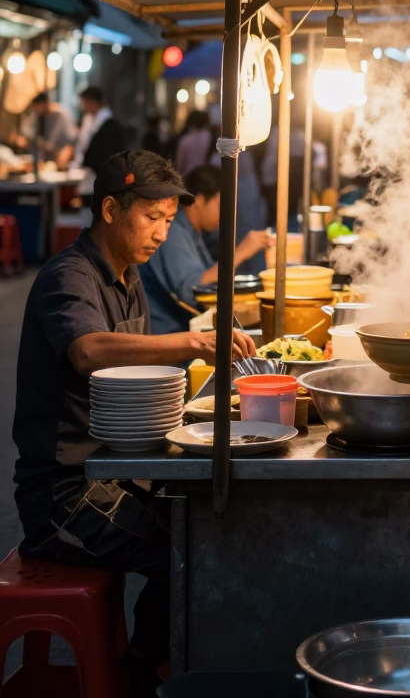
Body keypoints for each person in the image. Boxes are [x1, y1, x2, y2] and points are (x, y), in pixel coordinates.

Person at [13, 150, 255, 698]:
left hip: (115, 471)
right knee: (189, 554)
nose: (162, 234)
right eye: (152, 218)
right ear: (108, 210)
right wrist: (193, 342)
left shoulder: (129, 276)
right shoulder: (68, 277)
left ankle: (171, 666)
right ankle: (136, 678)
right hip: (63, 495)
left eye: (170, 220)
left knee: (209, 528)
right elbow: (88, 350)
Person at [140, 163, 274, 334]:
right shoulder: (172, 232)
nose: (224, 214)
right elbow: (193, 291)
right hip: (168, 333)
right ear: (200, 200)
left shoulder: (193, 231)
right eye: (220, 205)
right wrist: (239, 253)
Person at [73, 86, 126, 186]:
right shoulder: (87, 119)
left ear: (93, 102)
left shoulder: (110, 124)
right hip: (87, 173)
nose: (83, 106)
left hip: (102, 174)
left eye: (85, 102)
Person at [18, 92, 77, 167]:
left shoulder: (61, 115)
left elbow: (72, 141)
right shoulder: (36, 116)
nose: (35, 110)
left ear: (44, 104)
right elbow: (27, 132)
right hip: (44, 160)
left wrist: (66, 152)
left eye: (36, 107)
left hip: (61, 159)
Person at [174, 110, 212, 177]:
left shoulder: (186, 140)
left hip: (189, 175)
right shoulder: (209, 137)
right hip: (207, 175)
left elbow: (180, 163)